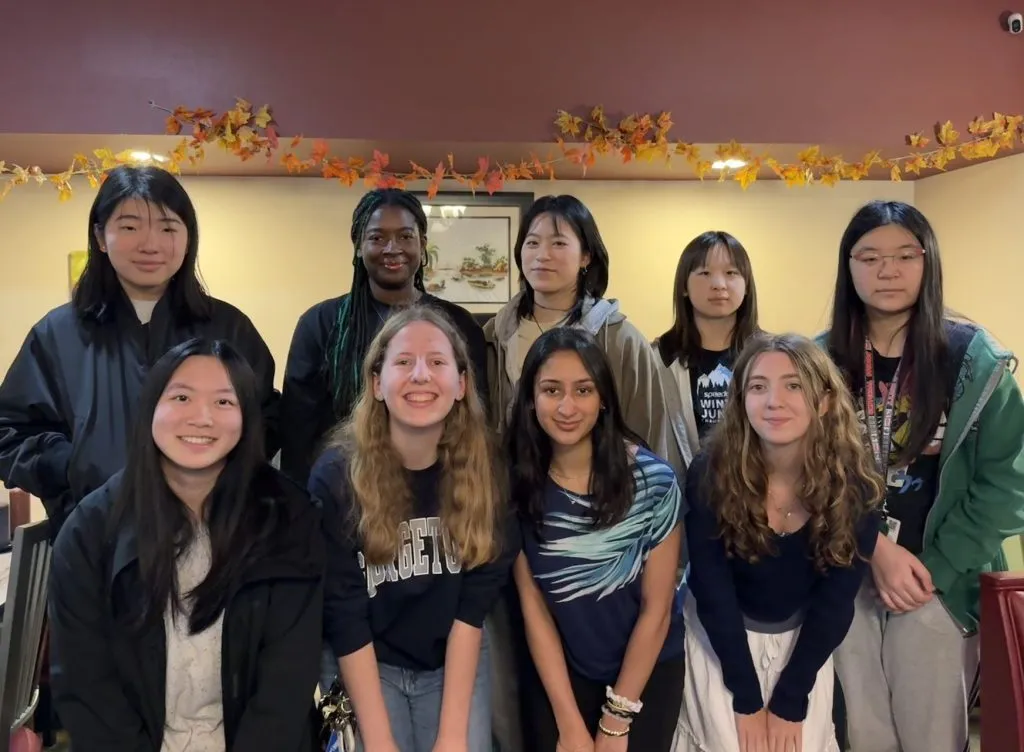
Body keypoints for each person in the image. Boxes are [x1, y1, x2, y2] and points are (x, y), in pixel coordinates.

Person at [48, 338, 324, 751]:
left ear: (247, 418)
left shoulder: (289, 518)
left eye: (224, 402)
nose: (201, 417)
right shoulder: (90, 531)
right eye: (181, 397)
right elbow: (86, 684)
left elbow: (287, 682)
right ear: (150, 409)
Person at [820, 200, 1024, 752]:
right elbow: (804, 476)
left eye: (905, 256)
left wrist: (935, 569)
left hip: (942, 582)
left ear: (928, 261)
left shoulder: (974, 361)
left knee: (932, 737)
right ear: (848, 267)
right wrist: (875, 551)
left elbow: (1008, 484)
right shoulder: (818, 361)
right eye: (870, 258)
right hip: (844, 574)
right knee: (860, 734)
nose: (888, 270)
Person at [483, 195, 675, 752]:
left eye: (559, 242)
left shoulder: (620, 338)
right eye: (532, 242)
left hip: (617, 549)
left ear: (587, 255)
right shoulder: (494, 335)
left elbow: (650, 437)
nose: (542, 254)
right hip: (532, 529)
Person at [0, 165, 278, 534]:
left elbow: (265, 417)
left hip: (214, 535)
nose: (151, 244)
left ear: (188, 237)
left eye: (168, 228)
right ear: (100, 236)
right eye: (130, 227)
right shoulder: (57, 333)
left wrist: (220, 472)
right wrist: (73, 465)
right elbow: (9, 432)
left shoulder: (229, 327)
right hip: (95, 537)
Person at [310, 304, 517, 752]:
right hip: (367, 657)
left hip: (451, 657)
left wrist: (452, 736)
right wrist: (380, 741)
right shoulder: (336, 477)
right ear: (376, 383)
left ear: (461, 384)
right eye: (403, 362)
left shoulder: (488, 472)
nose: (420, 375)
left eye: (437, 361)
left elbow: (471, 611)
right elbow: (345, 618)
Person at [673, 333, 883, 752]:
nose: (774, 401)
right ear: (740, 401)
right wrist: (746, 698)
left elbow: (835, 604)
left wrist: (791, 699)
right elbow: (713, 592)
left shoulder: (856, 486)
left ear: (824, 401)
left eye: (793, 386)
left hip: (803, 645)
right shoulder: (710, 473)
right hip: (721, 638)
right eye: (758, 387)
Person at [507, 327, 684, 751]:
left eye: (583, 390)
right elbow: (534, 607)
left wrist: (616, 720)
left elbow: (657, 610)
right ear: (531, 399)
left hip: (646, 674)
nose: (567, 406)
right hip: (560, 674)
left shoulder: (655, 483)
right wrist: (568, 721)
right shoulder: (516, 487)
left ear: (603, 397)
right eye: (551, 390)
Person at [280, 188, 488, 488]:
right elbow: (297, 431)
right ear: (358, 246)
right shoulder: (321, 324)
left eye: (405, 236)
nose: (393, 248)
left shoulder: (459, 325)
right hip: (343, 488)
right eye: (377, 238)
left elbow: (476, 419)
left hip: (442, 487)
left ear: (422, 244)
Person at [654, 230, 760, 468]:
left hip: (757, 484)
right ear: (684, 286)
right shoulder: (658, 359)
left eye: (731, 273)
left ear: (747, 285)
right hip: (682, 486)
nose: (719, 285)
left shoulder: (771, 356)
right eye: (704, 273)